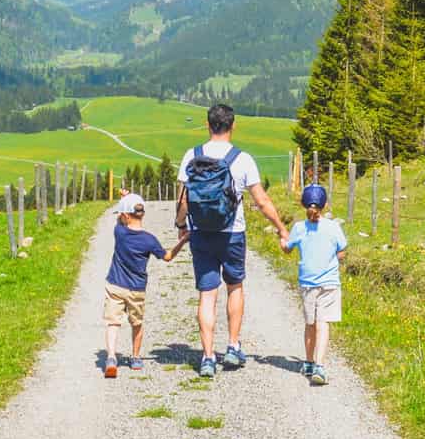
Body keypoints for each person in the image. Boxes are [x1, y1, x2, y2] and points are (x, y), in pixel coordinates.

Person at [175, 103, 287, 378]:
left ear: (207, 124)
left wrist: (180, 225)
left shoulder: (193, 154)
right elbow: (261, 200)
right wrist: (281, 228)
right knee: (234, 286)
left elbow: (184, 198)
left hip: (201, 232)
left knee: (207, 294)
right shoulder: (243, 159)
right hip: (233, 233)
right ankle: (233, 346)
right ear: (233, 125)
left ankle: (208, 357)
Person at [102, 192, 186, 378]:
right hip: (137, 289)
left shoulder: (120, 232)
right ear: (143, 214)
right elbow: (167, 256)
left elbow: (119, 219)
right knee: (137, 323)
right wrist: (183, 240)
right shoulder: (149, 239)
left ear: (125, 215)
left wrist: (126, 197)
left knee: (113, 323)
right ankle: (136, 357)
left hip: (115, 285)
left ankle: (111, 357)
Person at [280, 183, 347, 385]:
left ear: (303, 204)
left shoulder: (299, 228)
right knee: (323, 323)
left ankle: (308, 362)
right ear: (325, 204)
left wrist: (282, 240)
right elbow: (342, 250)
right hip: (329, 282)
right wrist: (336, 260)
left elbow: (287, 249)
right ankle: (319, 365)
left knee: (310, 324)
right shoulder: (334, 227)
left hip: (307, 283)